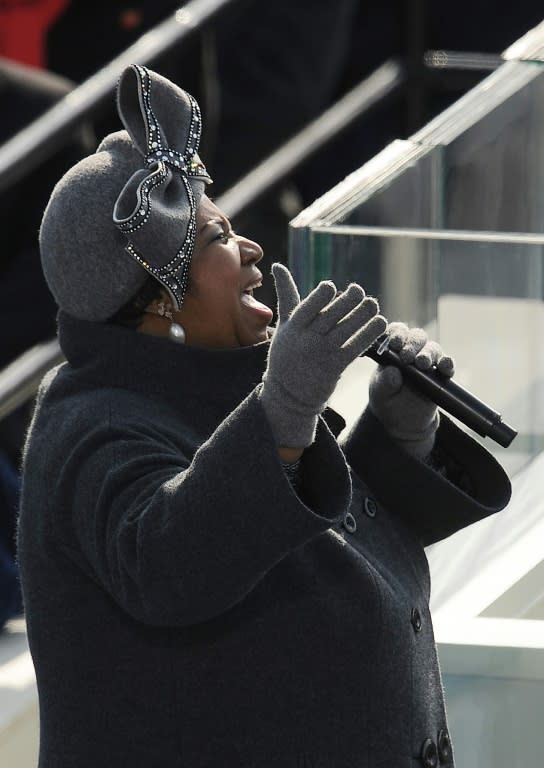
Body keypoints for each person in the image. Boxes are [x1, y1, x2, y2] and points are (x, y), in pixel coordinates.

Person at [18, 65, 511, 767]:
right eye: (218, 237)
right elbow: (173, 561)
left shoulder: (217, 395)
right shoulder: (93, 426)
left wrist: (401, 432)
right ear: (157, 298)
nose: (250, 247)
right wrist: (284, 407)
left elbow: (300, 541)